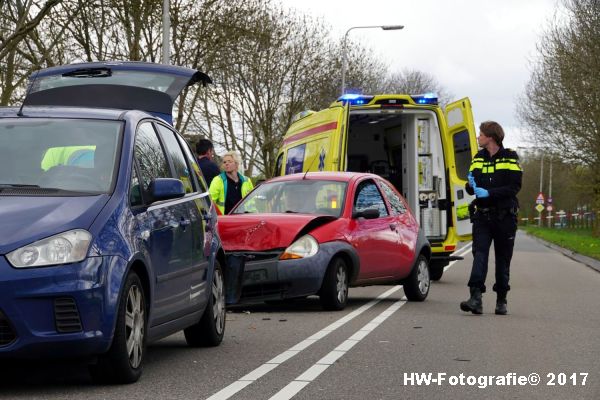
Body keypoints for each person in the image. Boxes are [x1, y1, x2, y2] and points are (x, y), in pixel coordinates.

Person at [460, 121, 522, 315]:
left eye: (480, 134)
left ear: (490, 137)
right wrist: (470, 185)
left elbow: (514, 187)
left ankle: (501, 300)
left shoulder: (510, 157)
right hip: (483, 217)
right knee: (479, 255)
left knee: (503, 259)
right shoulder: (478, 158)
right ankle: (475, 297)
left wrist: (489, 193)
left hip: (505, 217)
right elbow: (471, 187)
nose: (478, 137)